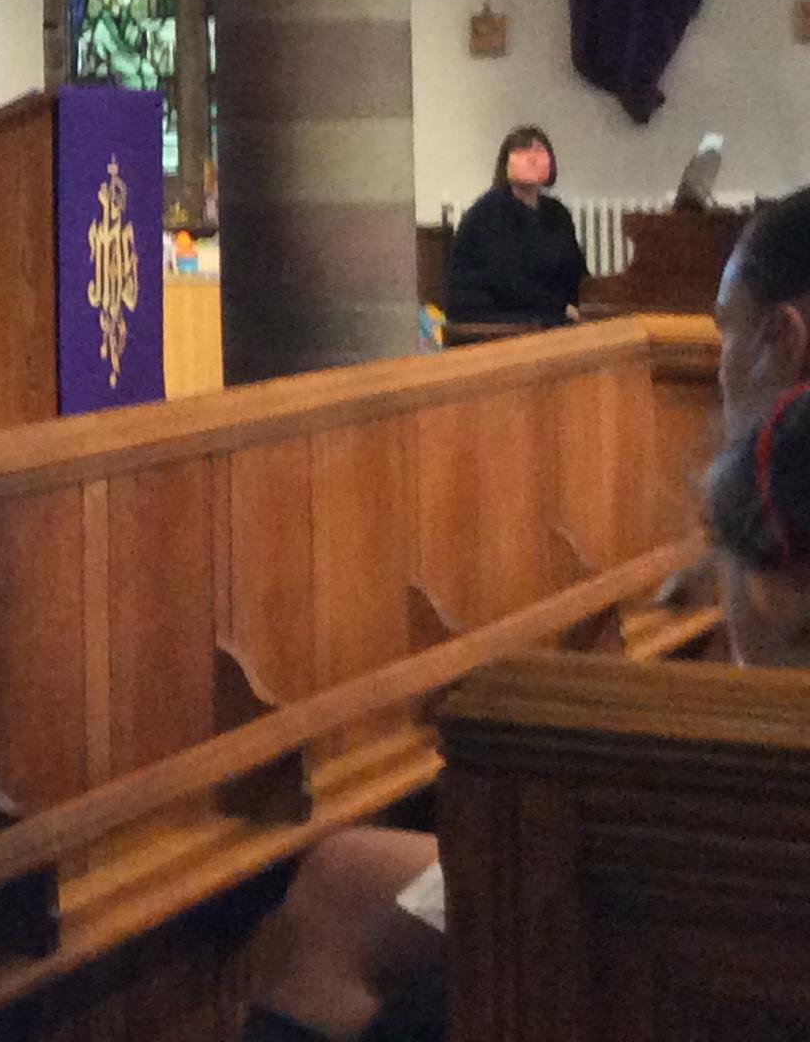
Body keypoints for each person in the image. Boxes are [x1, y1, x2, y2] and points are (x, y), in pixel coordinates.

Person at [237, 182, 810, 1042]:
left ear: (782, 340)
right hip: (726, 890)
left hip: (712, 930)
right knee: (346, 883)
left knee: (338, 908)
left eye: (725, 328)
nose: (717, 363)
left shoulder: (774, 503)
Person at [442, 125, 584, 326]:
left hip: (541, 311)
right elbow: (505, 281)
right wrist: (560, 307)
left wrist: (588, 301)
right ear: (505, 164)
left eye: (539, 151)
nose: (532, 159)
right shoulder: (488, 213)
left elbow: (575, 270)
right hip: (490, 316)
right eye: (522, 152)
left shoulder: (557, 212)